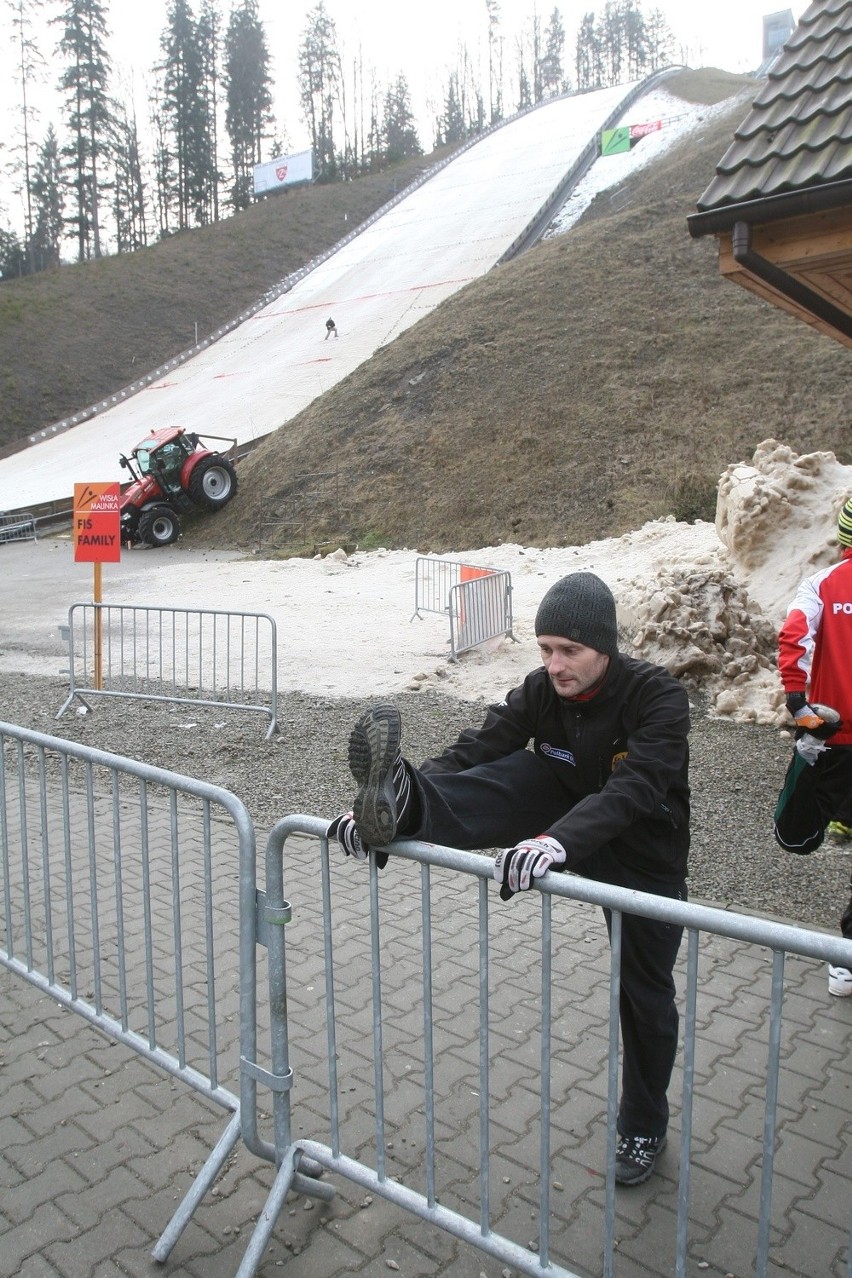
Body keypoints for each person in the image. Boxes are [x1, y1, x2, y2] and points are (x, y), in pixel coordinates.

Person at [329, 572, 690, 1186]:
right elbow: (479, 750)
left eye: (569, 650)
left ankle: (645, 1124)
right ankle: (403, 801)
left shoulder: (657, 696)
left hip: (638, 852)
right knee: (517, 768)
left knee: (645, 997)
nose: (554, 664)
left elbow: (637, 786)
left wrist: (558, 841)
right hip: (555, 817)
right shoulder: (540, 689)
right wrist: (394, 798)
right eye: (545, 648)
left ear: (605, 645)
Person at [774, 495, 852, 998]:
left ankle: (846, 960)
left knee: (801, 831)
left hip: (836, 739)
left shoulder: (823, 584)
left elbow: (795, 637)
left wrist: (799, 705)